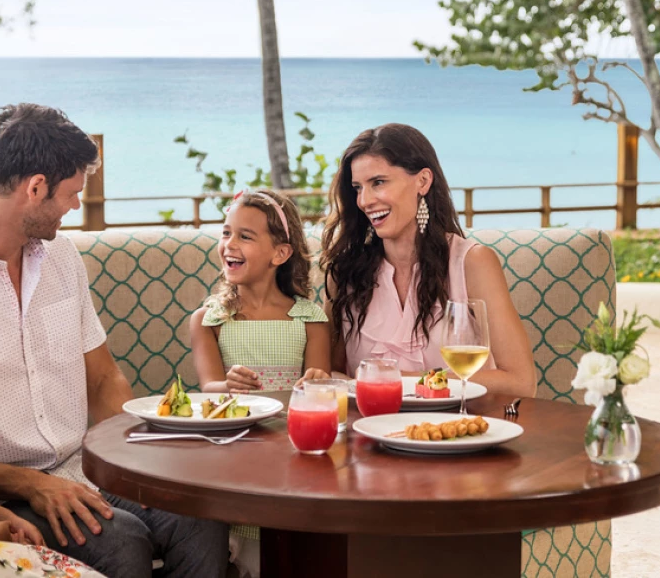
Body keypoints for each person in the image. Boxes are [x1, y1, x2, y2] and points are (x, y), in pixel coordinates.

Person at [0, 104, 229, 578]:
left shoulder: (61, 257)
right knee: (123, 543)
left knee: (200, 514)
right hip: (1, 493)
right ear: (35, 188)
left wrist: (144, 456)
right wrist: (29, 484)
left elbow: (102, 376)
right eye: (72, 193)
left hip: (81, 465)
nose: (76, 206)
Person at [320, 123, 537, 398]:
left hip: (459, 431)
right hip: (369, 430)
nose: (364, 200)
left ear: (422, 181)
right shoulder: (345, 272)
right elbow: (327, 373)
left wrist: (400, 380)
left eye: (378, 182)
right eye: (357, 188)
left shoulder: (472, 263)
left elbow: (520, 382)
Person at [190, 188, 331, 577]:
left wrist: (318, 380)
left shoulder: (310, 318)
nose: (228, 245)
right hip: (236, 450)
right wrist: (227, 386)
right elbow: (208, 388)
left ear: (280, 254)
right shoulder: (209, 320)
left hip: (293, 452)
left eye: (245, 236)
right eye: (225, 233)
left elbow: (318, 392)